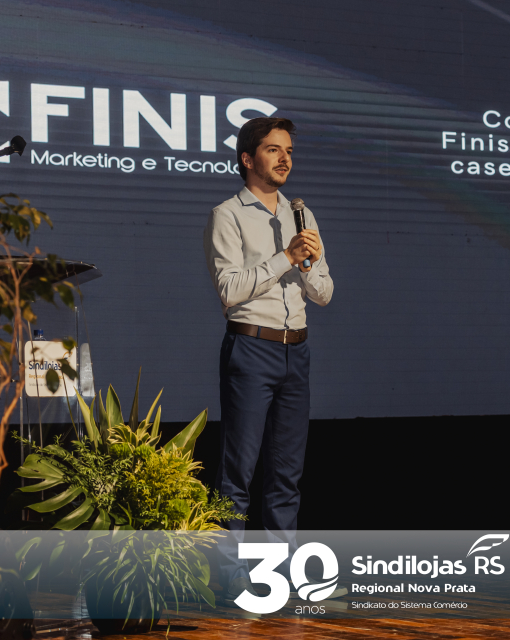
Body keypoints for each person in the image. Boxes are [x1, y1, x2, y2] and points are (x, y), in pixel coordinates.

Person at [202, 117, 334, 604]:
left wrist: (308, 264)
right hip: (251, 348)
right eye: (274, 150)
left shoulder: (303, 214)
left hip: (296, 350)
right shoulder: (227, 215)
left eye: (289, 151)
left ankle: (281, 578)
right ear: (247, 159)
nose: (285, 159)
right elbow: (229, 290)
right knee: (238, 473)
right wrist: (285, 257)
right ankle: (229, 580)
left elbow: (324, 293)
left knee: (286, 474)